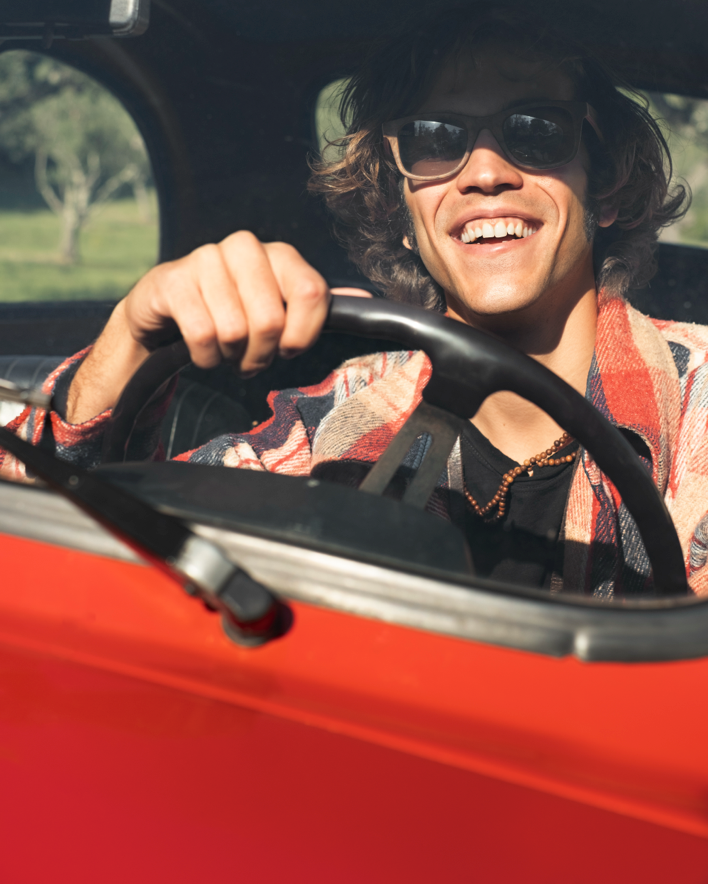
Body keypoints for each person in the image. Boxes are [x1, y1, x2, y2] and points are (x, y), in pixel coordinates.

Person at [3, 5, 708, 597]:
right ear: (401, 211)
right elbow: (57, 538)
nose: (486, 173)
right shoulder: (341, 421)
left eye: (536, 130)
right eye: (435, 140)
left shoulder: (698, 400)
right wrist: (129, 336)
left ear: (606, 186)